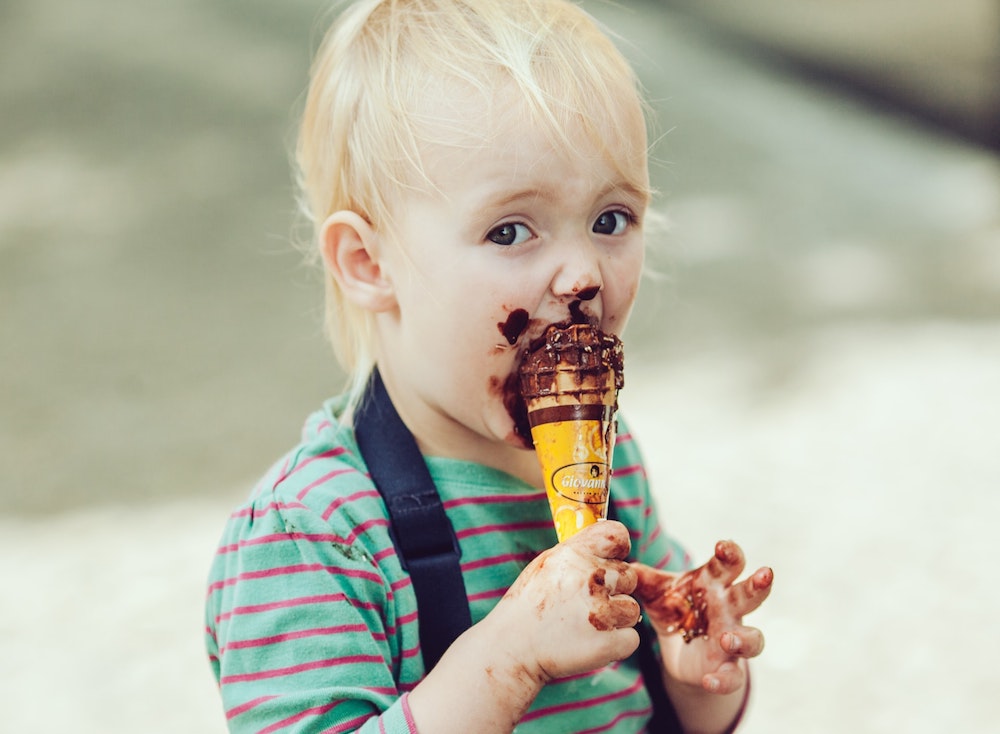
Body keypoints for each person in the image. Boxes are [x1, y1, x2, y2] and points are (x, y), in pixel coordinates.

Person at [204, 0, 774, 732]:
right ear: (369, 263)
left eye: (611, 220)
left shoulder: (611, 461)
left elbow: (661, 710)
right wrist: (510, 658)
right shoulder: (314, 533)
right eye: (511, 230)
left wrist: (697, 672)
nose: (581, 274)